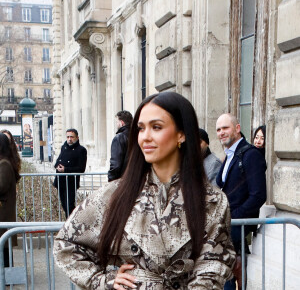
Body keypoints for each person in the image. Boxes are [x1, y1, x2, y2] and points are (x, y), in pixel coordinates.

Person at [54, 92, 235, 289]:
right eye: (141, 129)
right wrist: (102, 281)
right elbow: (66, 243)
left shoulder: (211, 201)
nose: (145, 137)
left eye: (156, 127)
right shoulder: (116, 194)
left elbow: (212, 264)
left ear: (181, 134)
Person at [215, 114, 267, 290]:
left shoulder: (251, 155)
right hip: (225, 226)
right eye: (218, 129)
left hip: (237, 227)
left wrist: (234, 217)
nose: (221, 133)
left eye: (225, 128)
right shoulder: (230, 155)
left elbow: (258, 195)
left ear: (237, 128)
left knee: (230, 275)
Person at [53, 128, 87, 218]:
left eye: (71, 137)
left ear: (77, 137)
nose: (69, 139)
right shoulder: (64, 147)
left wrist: (66, 169)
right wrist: (57, 166)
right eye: (67, 137)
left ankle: (73, 222)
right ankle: (69, 222)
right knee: (64, 205)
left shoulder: (81, 150)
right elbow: (58, 160)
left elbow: (81, 168)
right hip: (61, 181)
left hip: (71, 182)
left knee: (69, 205)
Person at [0, 133, 20, 267]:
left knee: (4, 247)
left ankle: (6, 278)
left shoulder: (5, 164)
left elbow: (1, 187)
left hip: (3, 213)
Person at [108, 110, 133, 182]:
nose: (116, 124)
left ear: (122, 123)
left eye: (117, 122)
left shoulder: (119, 137)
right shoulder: (138, 135)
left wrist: (111, 179)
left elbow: (116, 164)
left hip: (123, 180)